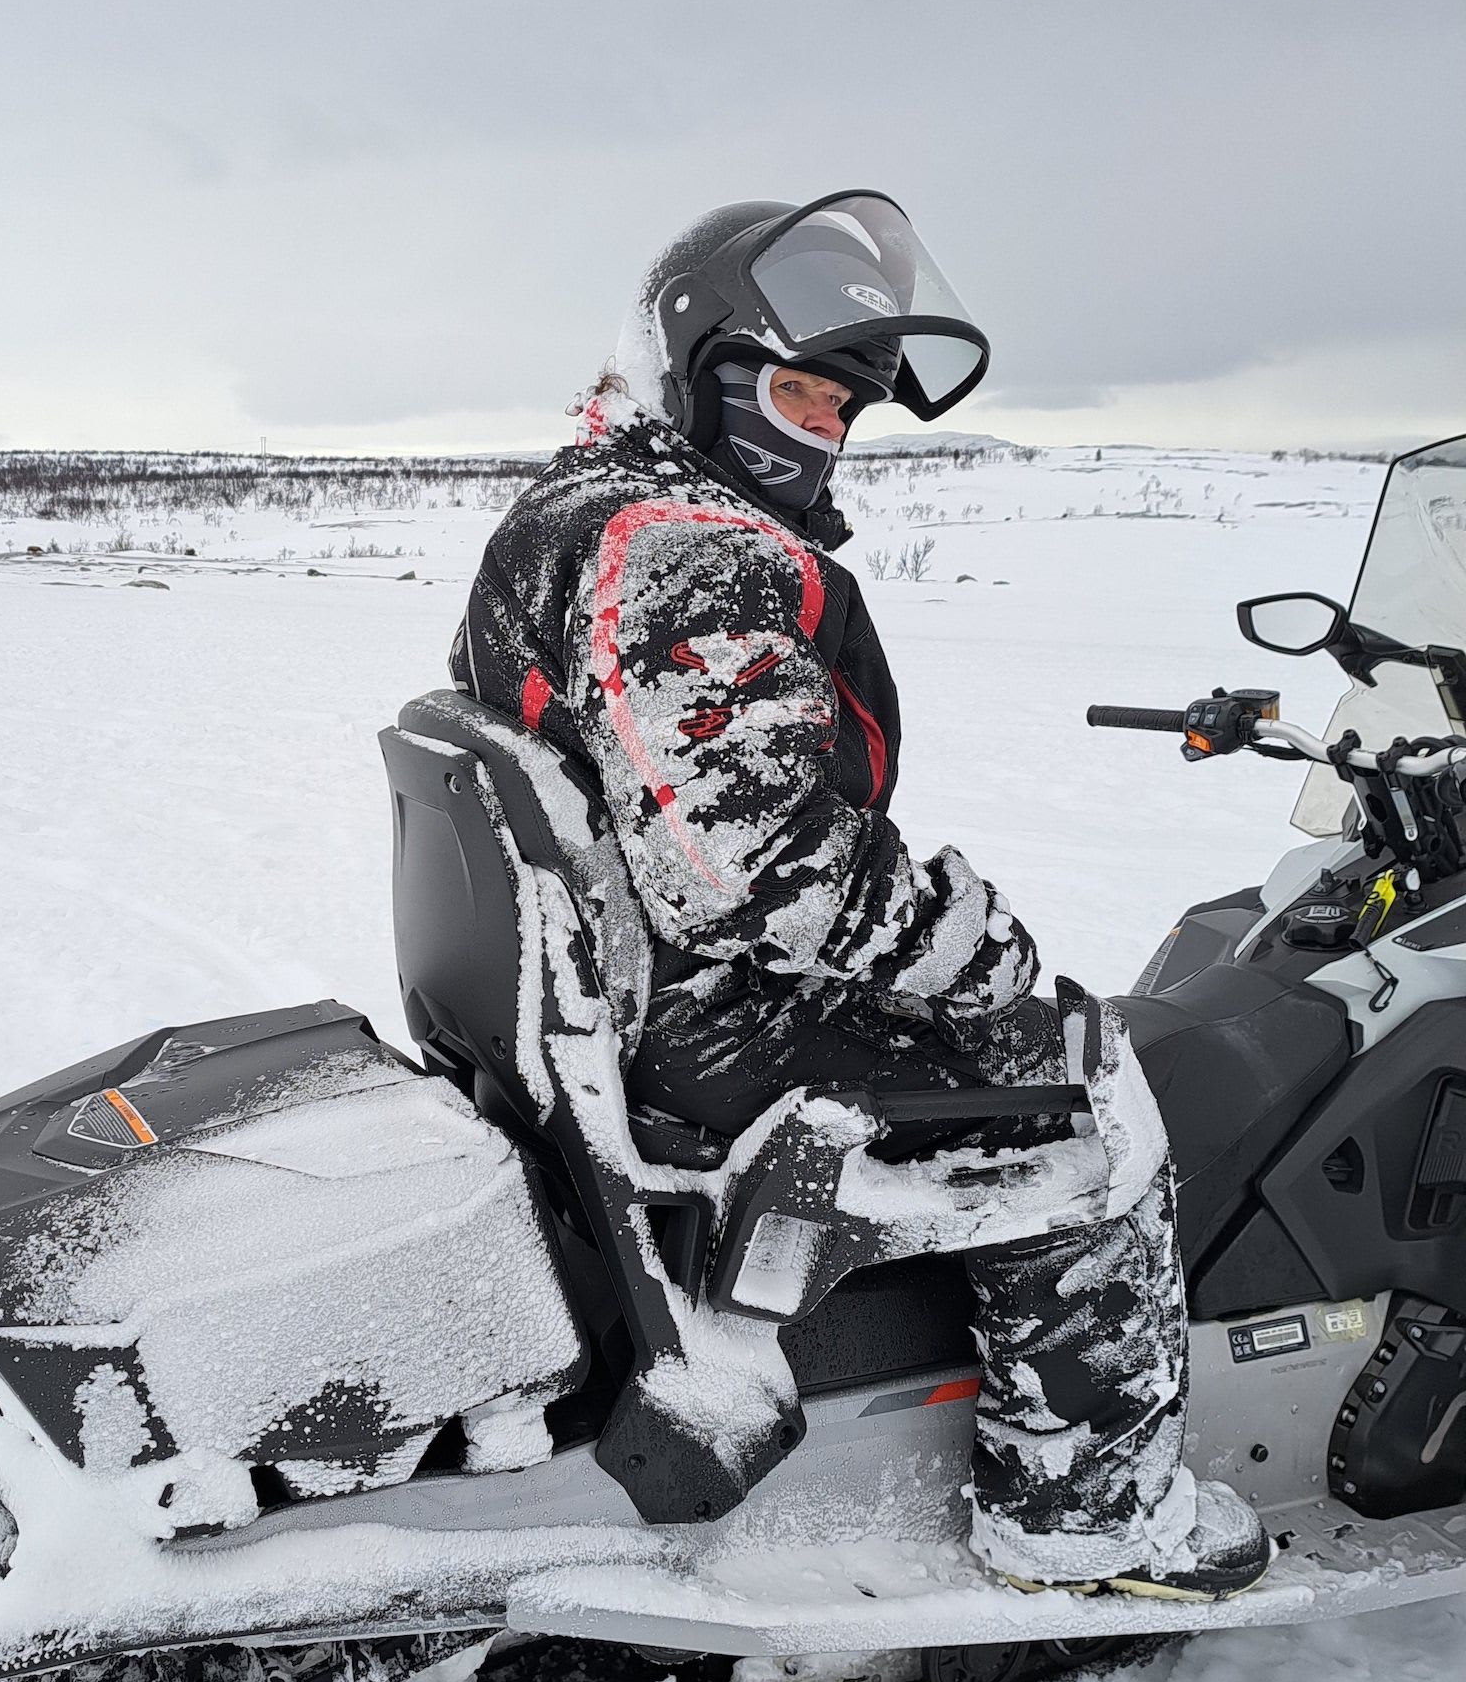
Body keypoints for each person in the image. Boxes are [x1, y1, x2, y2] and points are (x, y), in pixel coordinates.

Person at [451, 194, 1270, 1600]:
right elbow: (753, 862)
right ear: (700, 367)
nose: (820, 431)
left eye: (839, 408)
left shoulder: (576, 511)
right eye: (794, 392)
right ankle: (1090, 1520)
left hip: (630, 988)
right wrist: (979, 951)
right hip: (711, 1020)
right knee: (1086, 1102)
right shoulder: (688, 546)